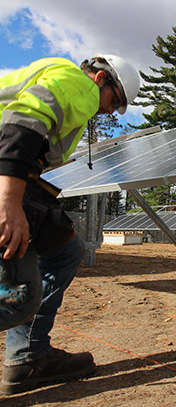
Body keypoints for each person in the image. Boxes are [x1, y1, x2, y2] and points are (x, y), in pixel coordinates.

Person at [0, 54, 140, 394]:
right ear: (101, 79)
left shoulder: (67, 87)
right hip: (6, 175)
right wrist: (8, 203)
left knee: (63, 250)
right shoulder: (79, 85)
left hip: (16, 174)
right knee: (18, 294)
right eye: (115, 100)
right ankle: (27, 355)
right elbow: (23, 121)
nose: (110, 110)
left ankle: (27, 355)